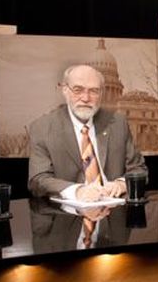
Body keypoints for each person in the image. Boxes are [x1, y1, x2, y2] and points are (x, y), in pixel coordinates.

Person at [28, 64, 147, 202]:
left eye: (94, 91)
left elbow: (139, 170)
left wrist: (122, 184)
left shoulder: (118, 124)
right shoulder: (42, 127)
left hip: (114, 211)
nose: (86, 98)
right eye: (78, 90)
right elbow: (38, 180)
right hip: (67, 217)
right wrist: (77, 191)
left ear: (101, 94)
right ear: (65, 90)